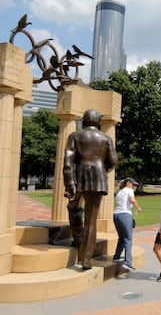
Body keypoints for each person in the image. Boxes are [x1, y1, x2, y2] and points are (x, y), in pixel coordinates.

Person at [63, 109, 119, 270]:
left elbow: (68, 162)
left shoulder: (75, 136)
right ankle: (84, 253)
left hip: (79, 177)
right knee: (91, 220)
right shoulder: (106, 138)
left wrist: (70, 183)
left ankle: (82, 249)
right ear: (98, 122)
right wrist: (103, 170)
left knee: (75, 207)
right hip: (98, 178)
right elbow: (114, 161)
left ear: (84, 121)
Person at [112, 177, 142, 271]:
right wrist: (138, 208)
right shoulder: (129, 190)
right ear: (128, 183)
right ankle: (128, 262)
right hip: (125, 215)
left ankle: (117, 256)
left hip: (116, 215)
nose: (133, 187)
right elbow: (132, 200)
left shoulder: (119, 192)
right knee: (128, 239)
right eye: (133, 185)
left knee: (122, 237)